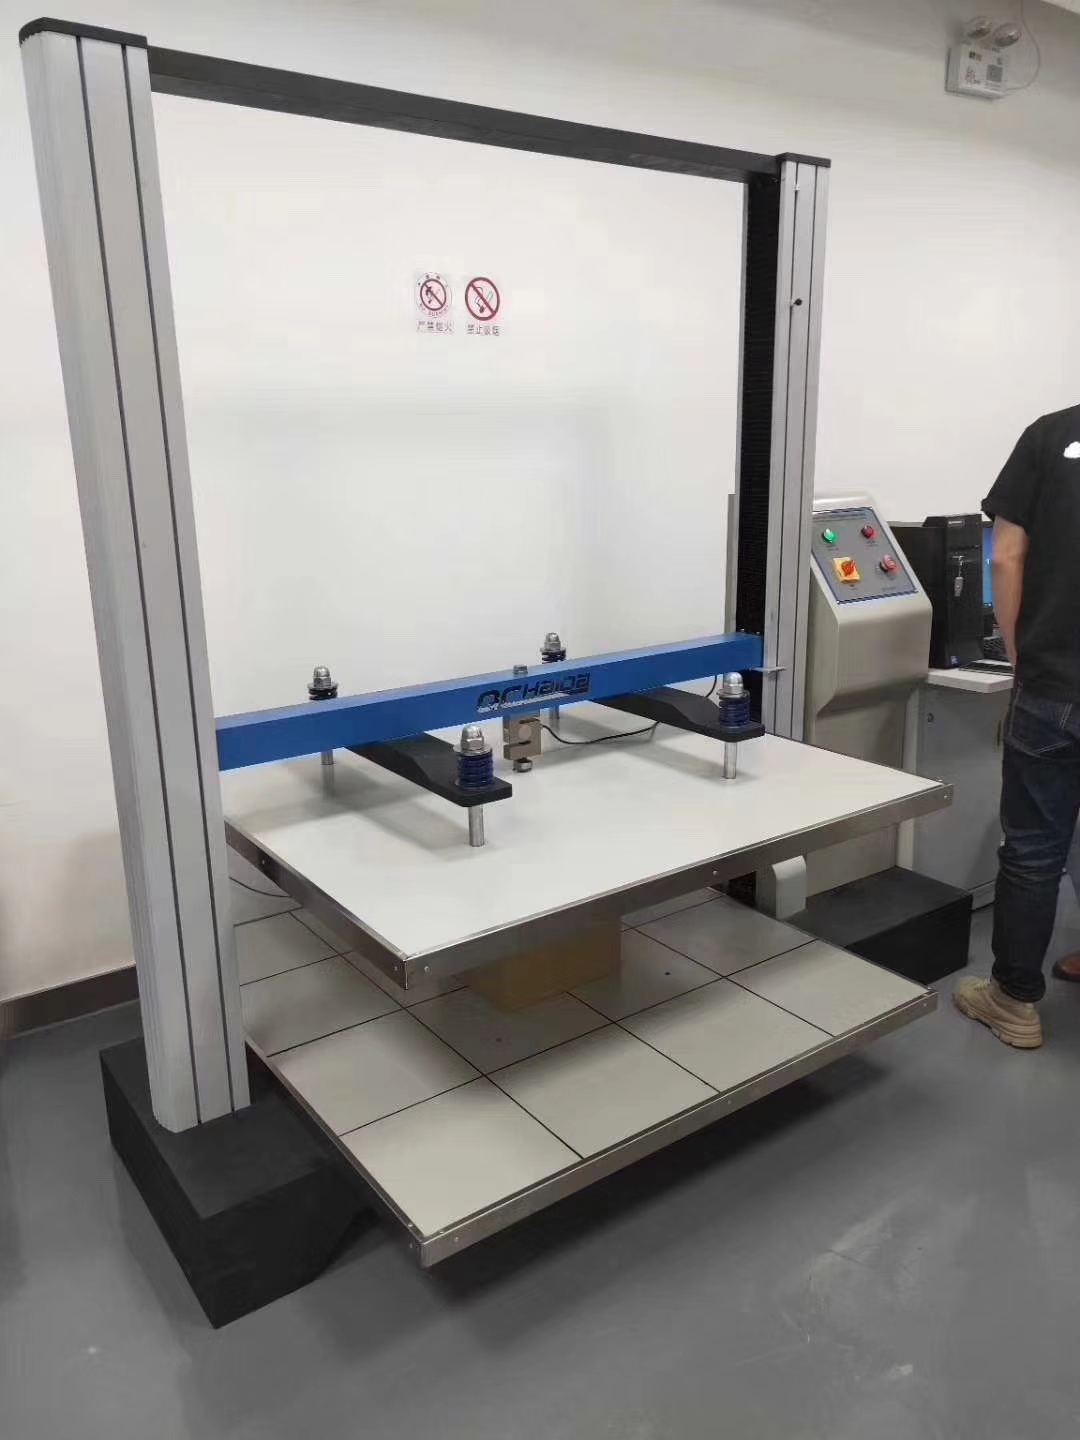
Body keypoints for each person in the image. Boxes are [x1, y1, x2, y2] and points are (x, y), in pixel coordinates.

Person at [954, 404, 1080, 1049]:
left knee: (1034, 851)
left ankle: (1012, 1001)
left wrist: (1017, 653)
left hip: (1056, 684)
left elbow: (1005, 557)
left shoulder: (1052, 434)